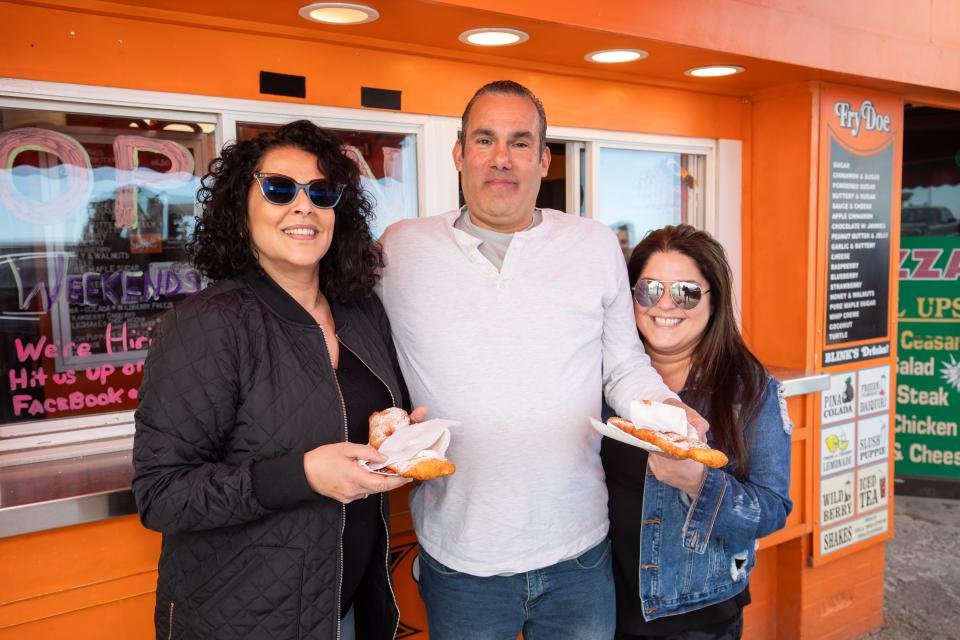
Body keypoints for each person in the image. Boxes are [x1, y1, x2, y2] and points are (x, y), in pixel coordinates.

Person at [377, 80, 696, 639]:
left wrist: (668, 413)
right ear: (459, 153)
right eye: (485, 140)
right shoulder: (399, 250)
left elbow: (622, 366)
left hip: (578, 550)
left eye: (520, 143)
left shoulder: (594, 244)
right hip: (461, 556)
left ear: (544, 159)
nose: (501, 158)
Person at [133, 120, 416, 640]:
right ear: (241, 209)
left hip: (348, 610)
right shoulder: (207, 324)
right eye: (280, 188)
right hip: (242, 621)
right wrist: (303, 475)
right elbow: (162, 494)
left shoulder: (360, 311)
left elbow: (368, 420)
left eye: (322, 192)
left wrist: (409, 439)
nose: (303, 206)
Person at [601, 224, 793, 640]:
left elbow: (774, 508)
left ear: (713, 300)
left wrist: (700, 485)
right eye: (649, 290)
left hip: (698, 615)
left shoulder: (748, 389)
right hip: (597, 606)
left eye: (685, 292)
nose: (664, 305)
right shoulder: (596, 378)